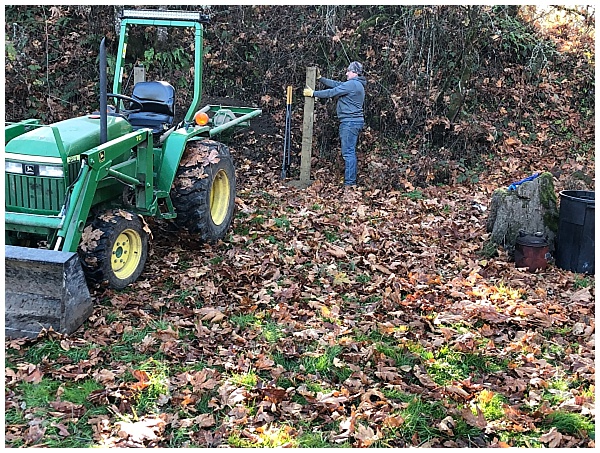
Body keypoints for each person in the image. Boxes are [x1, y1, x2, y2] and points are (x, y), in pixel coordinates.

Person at [303, 61, 366, 188]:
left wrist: (313, 93)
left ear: (355, 72)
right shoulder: (356, 84)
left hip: (349, 122)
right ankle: (350, 182)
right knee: (349, 152)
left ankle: (350, 184)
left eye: (348, 71)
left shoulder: (352, 84)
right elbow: (337, 84)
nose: (346, 73)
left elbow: (332, 92)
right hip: (353, 122)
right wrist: (321, 79)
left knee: (348, 153)